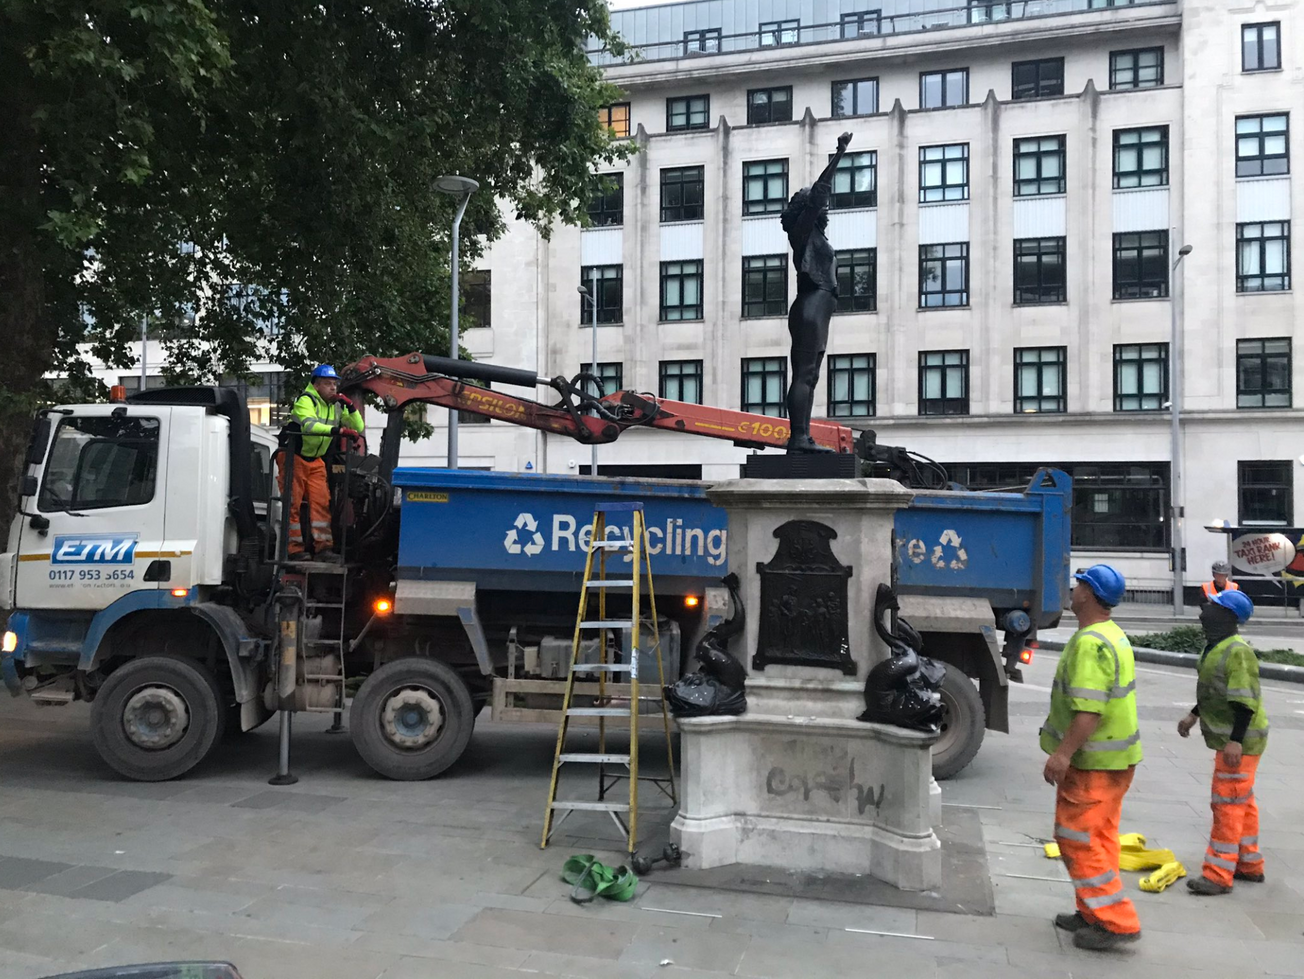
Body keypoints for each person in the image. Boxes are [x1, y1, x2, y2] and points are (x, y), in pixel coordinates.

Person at [1041, 564, 1143, 950]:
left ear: (1089, 594)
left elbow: (1089, 710)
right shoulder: (1111, 635)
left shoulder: (1090, 643)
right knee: (1099, 838)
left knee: (1077, 839)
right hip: (1116, 759)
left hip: (1093, 763)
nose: (1074, 589)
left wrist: (1062, 754)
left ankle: (1115, 921)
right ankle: (1092, 910)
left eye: (1080, 585)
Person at [1177, 589, 1268, 895]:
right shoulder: (1215, 646)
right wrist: (1193, 716)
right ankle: (1249, 863)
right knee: (1242, 801)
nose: (1205, 611)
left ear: (1228, 617)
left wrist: (1236, 741)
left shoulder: (1237, 651)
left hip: (1240, 741)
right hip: (1234, 739)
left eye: (1214, 607)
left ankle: (1218, 874)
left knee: (1226, 803)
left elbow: (1244, 701)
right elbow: (1216, 691)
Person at [779, 131, 852, 453]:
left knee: (810, 376)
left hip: (818, 306)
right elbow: (820, 192)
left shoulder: (816, 238)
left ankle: (803, 436)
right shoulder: (802, 230)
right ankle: (797, 438)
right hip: (812, 305)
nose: (825, 205)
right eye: (816, 201)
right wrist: (839, 154)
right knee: (805, 373)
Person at [278, 364, 364, 561]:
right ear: (316, 386)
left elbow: (358, 426)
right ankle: (294, 550)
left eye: (335, 384)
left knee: (321, 503)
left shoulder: (335, 406)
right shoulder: (305, 401)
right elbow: (309, 426)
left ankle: (324, 549)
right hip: (294, 457)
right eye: (328, 384)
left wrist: (349, 405)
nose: (333, 388)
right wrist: (338, 431)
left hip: (315, 460)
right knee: (292, 504)